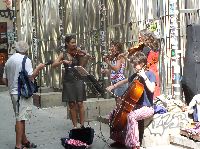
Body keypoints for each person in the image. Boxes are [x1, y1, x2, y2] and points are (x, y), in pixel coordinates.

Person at [106, 51, 156, 149]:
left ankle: (134, 144)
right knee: (114, 113)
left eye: (135, 65)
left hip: (147, 107)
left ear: (142, 64)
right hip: (136, 106)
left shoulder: (150, 74)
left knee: (131, 116)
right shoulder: (136, 74)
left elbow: (152, 89)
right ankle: (119, 140)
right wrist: (113, 86)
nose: (134, 67)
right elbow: (126, 80)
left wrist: (144, 77)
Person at [2, 41, 46, 149]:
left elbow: (4, 79)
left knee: (21, 117)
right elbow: (31, 76)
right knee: (20, 119)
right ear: (26, 50)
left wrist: (12, 86)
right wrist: (39, 68)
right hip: (22, 95)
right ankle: (18, 145)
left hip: (14, 93)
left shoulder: (9, 60)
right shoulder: (26, 60)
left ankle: (24, 140)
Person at [52, 35, 86, 128]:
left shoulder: (78, 53)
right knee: (71, 104)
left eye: (75, 42)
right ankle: (75, 126)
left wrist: (82, 56)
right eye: (72, 42)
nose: (74, 44)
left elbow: (82, 66)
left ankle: (82, 125)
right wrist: (63, 62)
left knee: (80, 102)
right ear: (67, 43)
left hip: (78, 79)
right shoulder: (63, 54)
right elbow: (54, 65)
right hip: (68, 80)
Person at [101, 41, 128, 107]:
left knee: (119, 103)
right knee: (117, 102)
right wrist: (106, 70)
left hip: (120, 82)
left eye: (113, 46)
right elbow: (113, 72)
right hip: (115, 82)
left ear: (117, 48)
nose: (111, 48)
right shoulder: (115, 58)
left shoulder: (119, 57)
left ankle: (121, 117)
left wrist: (108, 62)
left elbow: (116, 69)